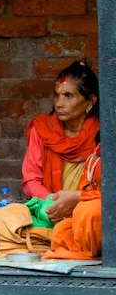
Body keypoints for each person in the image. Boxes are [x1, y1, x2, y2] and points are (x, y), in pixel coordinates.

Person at [21, 59, 99, 224]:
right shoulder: (43, 130)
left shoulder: (102, 134)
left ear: (90, 102)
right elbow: (31, 180)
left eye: (68, 96)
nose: (59, 104)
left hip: (87, 212)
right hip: (49, 210)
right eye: (57, 95)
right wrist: (53, 202)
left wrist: (75, 202)